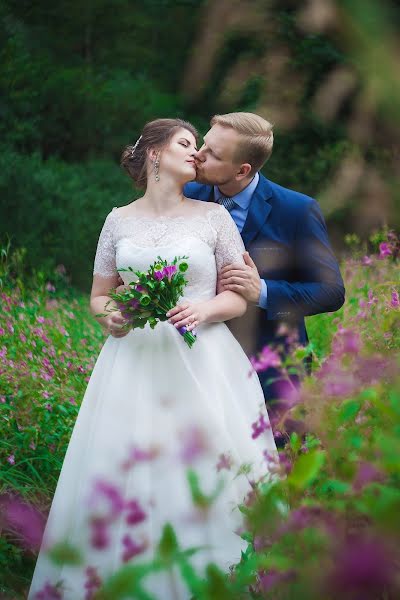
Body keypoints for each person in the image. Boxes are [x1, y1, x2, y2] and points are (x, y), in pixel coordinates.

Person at [28, 119, 278, 600]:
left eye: (198, 145)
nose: (197, 153)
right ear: (154, 155)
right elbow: (99, 295)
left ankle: (218, 578)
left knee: (207, 466)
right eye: (187, 144)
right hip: (132, 362)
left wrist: (205, 307)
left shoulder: (213, 219)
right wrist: (112, 317)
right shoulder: (118, 220)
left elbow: (237, 298)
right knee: (127, 464)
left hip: (203, 360)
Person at [184, 112, 345, 406]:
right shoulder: (185, 194)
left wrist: (264, 292)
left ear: (242, 170)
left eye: (213, 154)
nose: (198, 155)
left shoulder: (297, 210)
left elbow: (331, 292)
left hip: (271, 370)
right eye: (203, 144)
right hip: (195, 360)